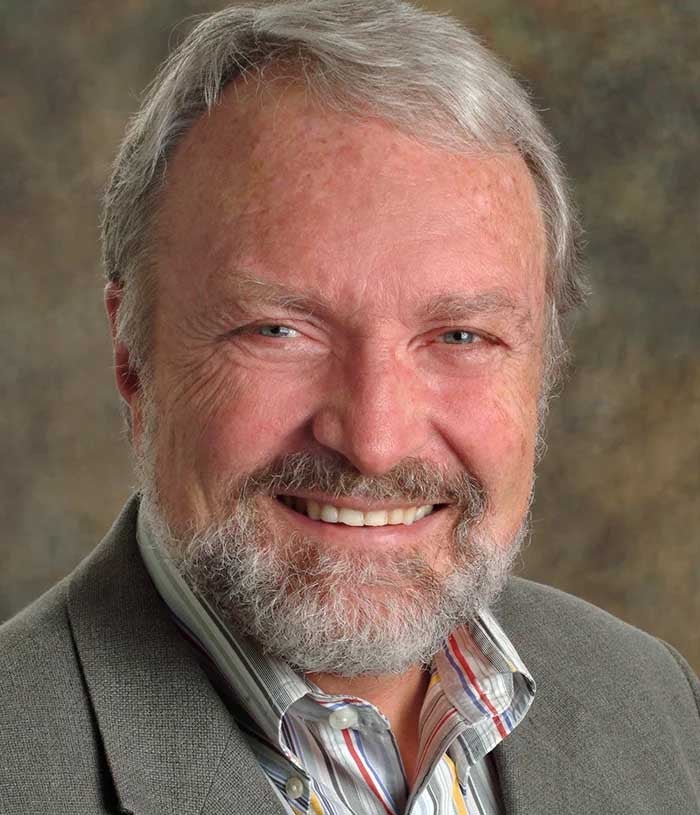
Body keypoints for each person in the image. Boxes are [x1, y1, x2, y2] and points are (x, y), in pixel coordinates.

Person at [1, 1, 698, 812]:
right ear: (132, 356)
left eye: (461, 336)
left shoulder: (656, 705)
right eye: (278, 330)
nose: (374, 440)